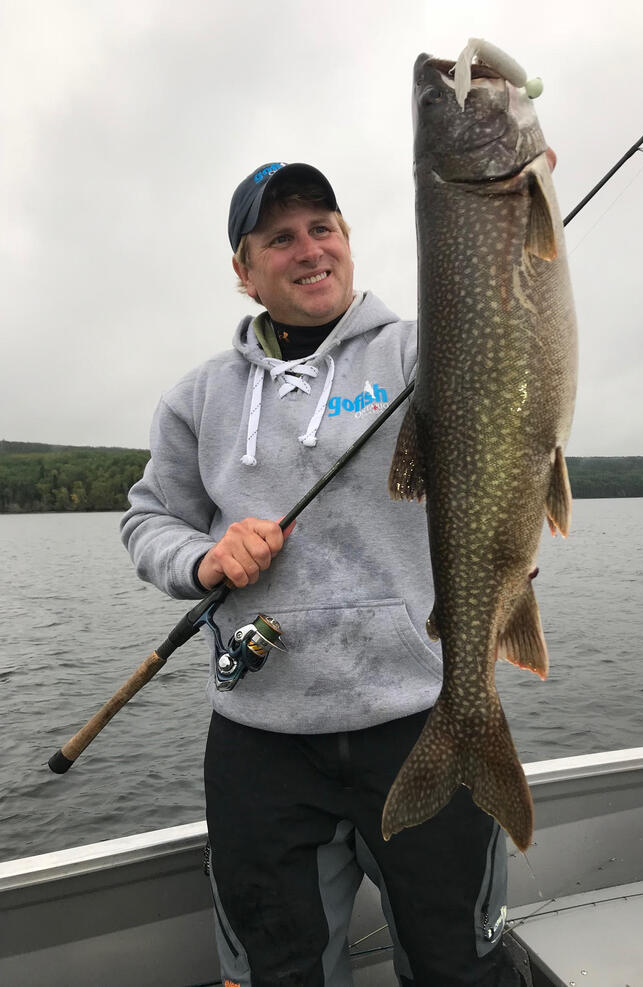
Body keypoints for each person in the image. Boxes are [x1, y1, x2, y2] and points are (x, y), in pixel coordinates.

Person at [121, 162, 526, 987]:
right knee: (280, 973)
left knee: (462, 967)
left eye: (323, 227)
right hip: (261, 741)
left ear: (346, 239)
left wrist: (513, 211)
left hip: (423, 712)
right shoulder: (198, 399)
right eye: (280, 237)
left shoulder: (428, 351)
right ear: (244, 270)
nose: (309, 249)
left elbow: (513, 322)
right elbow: (146, 519)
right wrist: (203, 558)